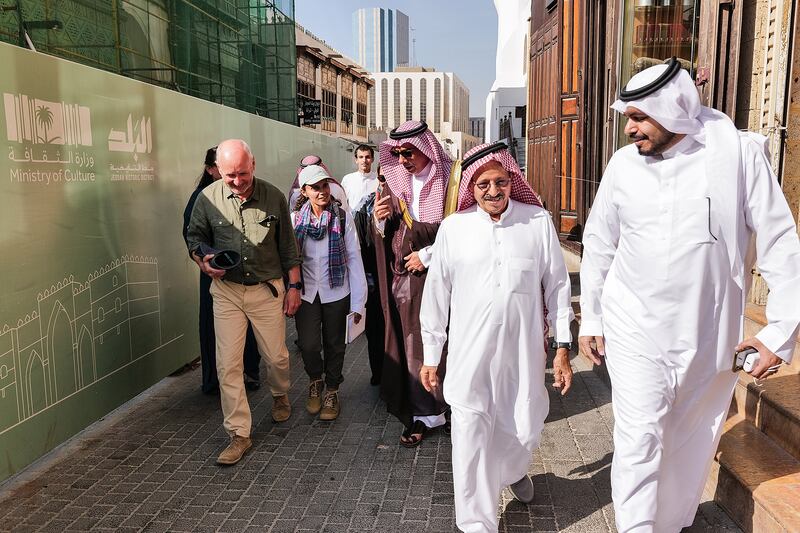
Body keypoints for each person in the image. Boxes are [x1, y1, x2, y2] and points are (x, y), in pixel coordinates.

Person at [579, 60, 800, 533]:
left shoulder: (737, 156)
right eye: (628, 116)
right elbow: (598, 243)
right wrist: (591, 318)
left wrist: (779, 332)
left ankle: (668, 525)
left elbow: (781, 242)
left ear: (673, 108)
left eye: (639, 116)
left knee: (689, 442)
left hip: (707, 332)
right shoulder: (622, 165)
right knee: (639, 438)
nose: (629, 126)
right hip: (633, 326)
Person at [419, 142, 575, 533]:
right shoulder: (454, 228)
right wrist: (431, 355)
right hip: (468, 358)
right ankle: (475, 522)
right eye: (483, 183)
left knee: (523, 425)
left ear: (512, 181)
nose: (493, 190)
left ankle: (513, 470)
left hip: (522, 357)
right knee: (470, 434)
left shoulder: (536, 222)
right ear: (470, 187)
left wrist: (562, 348)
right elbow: (436, 295)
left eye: (500, 181)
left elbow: (557, 287)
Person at [186, 139, 302, 466]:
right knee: (228, 364)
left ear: (253, 165)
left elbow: (288, 249)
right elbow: (194, 238)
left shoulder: (274, 197)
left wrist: (294, 286)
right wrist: (202, 260)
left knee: (276, 357)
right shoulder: (207, 199)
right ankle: (239, 433)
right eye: (229, 176)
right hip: (227, 292)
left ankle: (280, 394)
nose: (237, 181)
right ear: (217, 171)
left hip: (267, 289)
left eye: (242, 173)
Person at [374, 120, 452, 447]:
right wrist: (378, 220)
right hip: (409, 281)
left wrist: (429, 256)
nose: (404, 159)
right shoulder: (397, 183)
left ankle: (449, 409)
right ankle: (422, 414)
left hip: (448, 275)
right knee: (414, 346)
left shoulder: (452, 180)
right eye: (399, 153)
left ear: (426, 148)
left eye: (410, 152)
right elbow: (386, 233)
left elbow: (464, 230)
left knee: (450, 343)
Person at [182, 146, 262, 395]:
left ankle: (249, 372)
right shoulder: (202, 197)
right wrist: (208, 260)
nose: (235, 178)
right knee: (213, 327)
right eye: (226, 170)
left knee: (247, 327)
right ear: (211, 169)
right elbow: (192, 236)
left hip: (246, 274)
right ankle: (215, 379)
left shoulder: (250, 193)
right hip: (215, 273)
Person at [291, 165, 368, 421]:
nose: (322, 192)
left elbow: (354, 259)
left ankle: (332, 390)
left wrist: (358, 302)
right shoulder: (296, 220)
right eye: (315, 188)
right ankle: (315, 380)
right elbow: (288, 259)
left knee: (335, 346)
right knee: (309, 345)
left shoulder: (342, 218)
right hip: (306, 293)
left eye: (325, 186)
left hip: (337, 292)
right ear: (305, 191)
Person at [340, 145, 385, 385]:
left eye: (368, 157)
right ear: (355, 159)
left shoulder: (378, 184)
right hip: (358, 240)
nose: (364, 161)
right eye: (361, 157)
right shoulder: (347, 180)